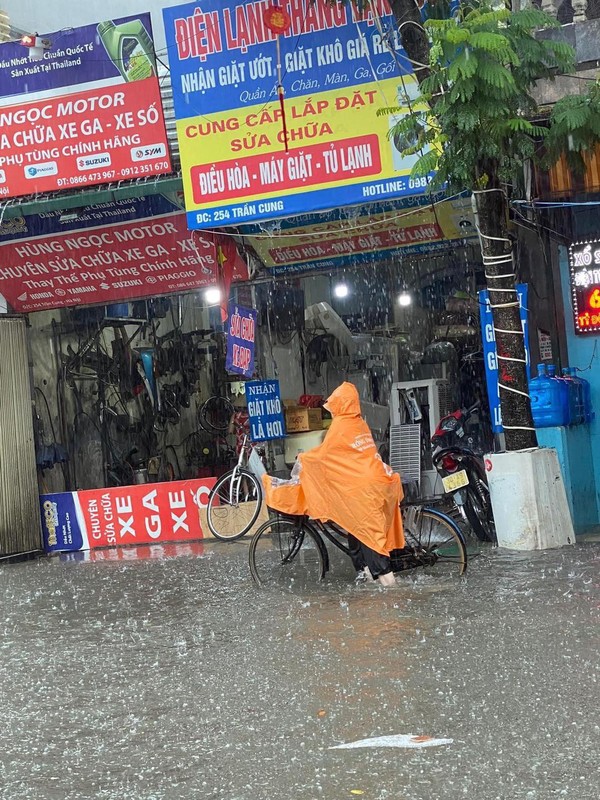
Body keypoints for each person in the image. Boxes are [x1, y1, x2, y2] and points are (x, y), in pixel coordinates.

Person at [263, 382, 404, 587]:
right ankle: (367, 580)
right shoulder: (359, 423)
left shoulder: (340, 426)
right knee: (355, 532)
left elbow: (326, 454)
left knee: (370, 541)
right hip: (378, 481)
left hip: (363, 491)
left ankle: (393, 590)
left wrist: (304, 458)